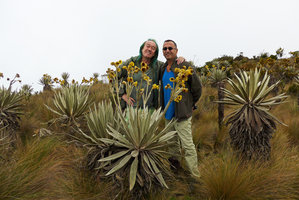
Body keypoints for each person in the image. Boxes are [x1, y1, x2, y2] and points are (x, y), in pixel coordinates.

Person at [158, 39, 202, 178]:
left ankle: (194, 176)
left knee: (187, 146)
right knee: (172, 145)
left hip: (182, 114)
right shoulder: (162, 68)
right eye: (164, 49)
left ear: (176, 50)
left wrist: (190, 104)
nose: (167, 51)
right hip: (168, 114)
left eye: (170, 48)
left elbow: (197, 87)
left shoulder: (184, 65)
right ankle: (175, 172)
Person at [118, 39, 184, 110]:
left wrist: (179, 58)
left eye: (153, 48)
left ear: (155, 53)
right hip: (131, 109)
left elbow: (170, 65)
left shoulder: (158, 66)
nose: (149, 49)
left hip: (150, 109)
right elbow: (114, 77)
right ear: (142, 48)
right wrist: (122, 95)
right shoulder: (131, 62)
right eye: (147, 46)